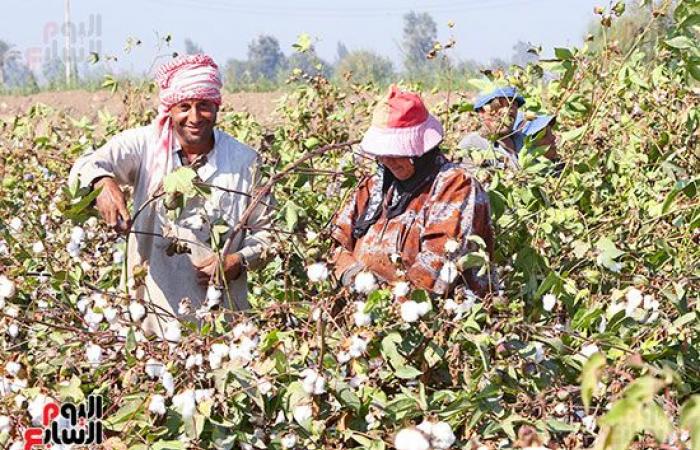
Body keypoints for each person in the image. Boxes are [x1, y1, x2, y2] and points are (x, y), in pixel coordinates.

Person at [69, 54, 273, 335]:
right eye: (184, 107)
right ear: (170, 109)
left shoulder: (245, 161)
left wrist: (237, 261)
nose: (194, 117)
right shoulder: (145, 146)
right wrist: (102, 183)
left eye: (203, 106)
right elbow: (85, 165)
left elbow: (268, 235)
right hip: (150, 318)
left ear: (216, 107)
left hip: (223, 325)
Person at [331, 86, 495, 297]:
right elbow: (336, 246)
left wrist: (379, 298)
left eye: (396, 152)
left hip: (431, 320)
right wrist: (354, 276)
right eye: (383, 154)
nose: (388, 160)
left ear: (422, 150)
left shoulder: (455, 187)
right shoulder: (373, 186)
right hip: (365, 313)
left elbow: (434, 273)